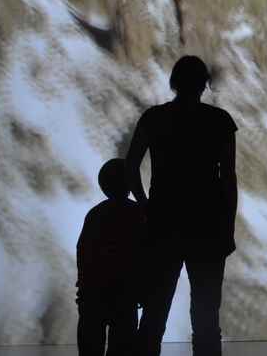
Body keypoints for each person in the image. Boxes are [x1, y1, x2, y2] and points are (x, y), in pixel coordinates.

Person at [126, 56, 238, 356]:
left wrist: (145, 205)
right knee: (206, 318)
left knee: (153, 314)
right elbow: (228, 179)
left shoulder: (153, 118)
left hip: (163, 225)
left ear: (175, 82)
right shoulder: (220, 122)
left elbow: (131, 166)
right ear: (204, 84)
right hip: (208, 228)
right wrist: (228, 226)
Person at [76, 158, 146, 356]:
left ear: (103, 186)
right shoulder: (138, 213)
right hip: (125, 294)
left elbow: (83, 251)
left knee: (90, 344)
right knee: (122, 345)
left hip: (93, 293)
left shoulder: (95, 214)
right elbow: (142, 255)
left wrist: (83, 284)